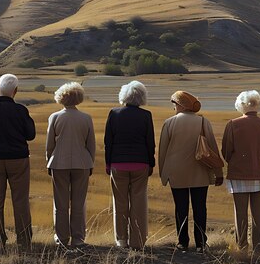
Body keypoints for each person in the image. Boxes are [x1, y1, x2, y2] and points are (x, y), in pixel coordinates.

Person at [0, 73, 36, 254]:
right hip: (18, 159)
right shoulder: (20, 110)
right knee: (20, 200)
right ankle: (24, 242)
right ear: (15, 90)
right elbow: (30, 135)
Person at [159, 91, 223, 252]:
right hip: (200, 172)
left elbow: (162, 152)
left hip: (176, 173)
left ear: (180, 105)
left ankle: (182, 242)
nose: (173, 107)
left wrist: (163, 174)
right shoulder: (203, 122)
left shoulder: (169, 123)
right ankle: (201, 243)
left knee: (181, 208)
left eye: (174, 104)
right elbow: (213, 149)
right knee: (200, 207)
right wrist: (218, 171)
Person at [221, 90, 260, 256]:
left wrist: (236, 161)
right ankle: (258, 248)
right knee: (259, 213)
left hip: (239, 173)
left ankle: (242, 247)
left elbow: (226, 151)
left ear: (241, 105)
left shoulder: (233, 124)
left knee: (241, 212)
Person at [104, 81, 155, 250]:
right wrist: (151, 164)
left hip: (118, 164)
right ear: (142, 97)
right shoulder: (146, 115)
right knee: (139, 204)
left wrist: (108, 163)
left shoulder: (114, 113)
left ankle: (121, 240)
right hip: (141, 164)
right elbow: (150, 142)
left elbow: (108, 142)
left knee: (120, 203)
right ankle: (137, 241)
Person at [46, 82, 95, 249]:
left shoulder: (54, 117)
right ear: (78, 98)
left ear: (61, 98)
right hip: (82, 164)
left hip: (59, 164)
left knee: (60, 203)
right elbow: (91, 145)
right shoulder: (86, 118)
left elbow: (49, 144)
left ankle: (61, 238)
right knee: (78, 202)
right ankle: (78, 238)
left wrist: (49, 161)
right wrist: (90, 163)